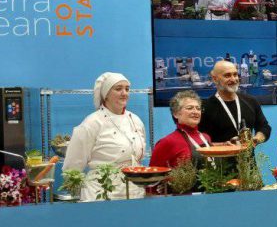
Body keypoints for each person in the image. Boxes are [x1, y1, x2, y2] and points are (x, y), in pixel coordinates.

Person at [63, 72, 146, 201]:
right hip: (100, 195)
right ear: (106, 94)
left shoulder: (135, 120)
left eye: (127, 89)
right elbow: (72, 168)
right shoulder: (92, 123)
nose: (124, 93)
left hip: (135, 192)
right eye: (118, 89)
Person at [200, 60, 271, 146]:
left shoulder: (251, 101)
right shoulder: (205, 107)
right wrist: (223, 145)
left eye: (235, 74)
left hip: (248, 154)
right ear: (215, 79)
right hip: (220, 155)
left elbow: (264, 127)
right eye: (227, 75)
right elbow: (200, 142)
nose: (233, 79)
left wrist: (256, 139)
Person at [150, 90, 213, 169]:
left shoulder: (206, 137)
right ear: (176, 114)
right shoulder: (167, 142)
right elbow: (154, 174)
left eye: (198, 108)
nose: (195, 112)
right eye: (189, 108)